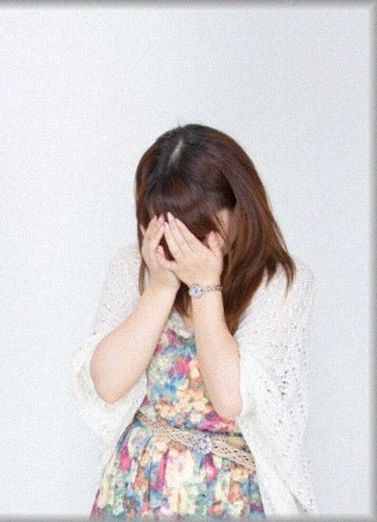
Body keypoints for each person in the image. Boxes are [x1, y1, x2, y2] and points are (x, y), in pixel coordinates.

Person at [74, 124, 317, 518]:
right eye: (169, 224)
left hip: (229, 496)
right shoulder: (134, 267)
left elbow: (230, 399)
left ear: (239, 208)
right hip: (136, 489)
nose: (182, 240)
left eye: (198, 225)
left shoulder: (280, 283)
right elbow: (107, 384)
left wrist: (205, 287)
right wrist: (161, 287)